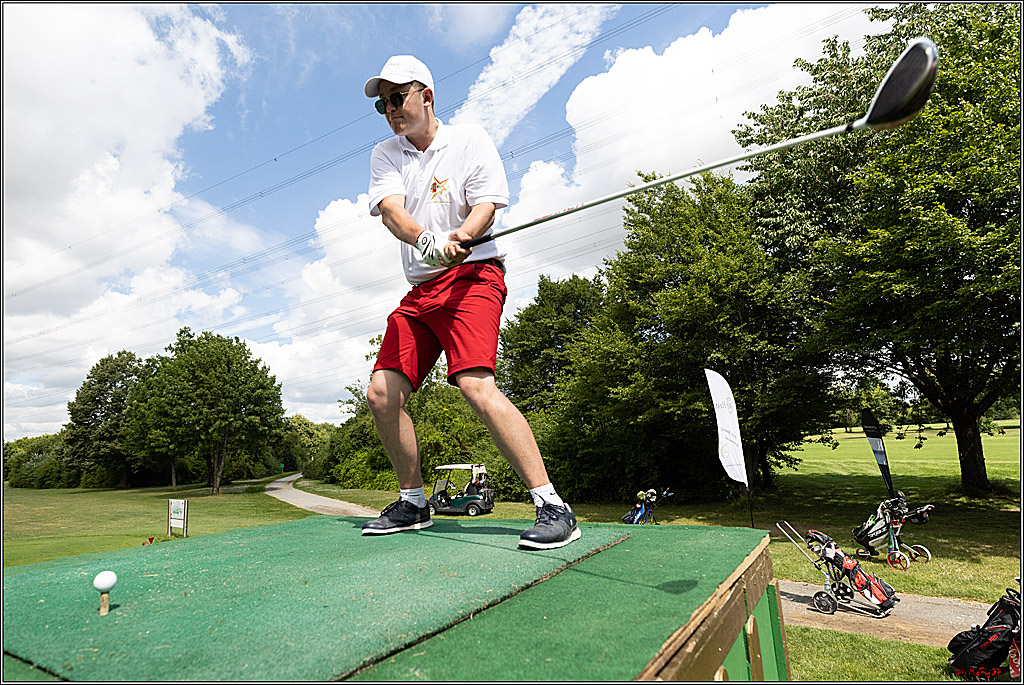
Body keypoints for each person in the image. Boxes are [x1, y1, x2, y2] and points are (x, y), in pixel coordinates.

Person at [359, 55, 579, 550]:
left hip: (473, 276)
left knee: (475, 385)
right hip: (421, 289)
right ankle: (414, 502)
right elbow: (391, 212)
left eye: (398, 97)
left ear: (426, 96)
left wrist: (463, 233)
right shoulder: (385, 153)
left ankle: (552, 505)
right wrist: (425, 241)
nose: (391, 109)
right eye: (383, 104)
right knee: (382, 394)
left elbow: (486, 204)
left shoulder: (470, 140)